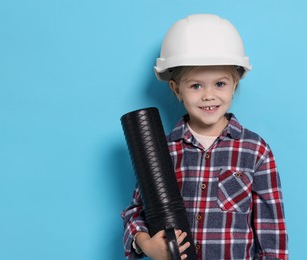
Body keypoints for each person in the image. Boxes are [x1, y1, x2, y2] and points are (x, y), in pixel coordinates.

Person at [121, 14, 288, 260]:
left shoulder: (255, 151)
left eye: (219, 83)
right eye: (196, 86)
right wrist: (146, 244)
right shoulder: (162, 151)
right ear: (176, 89)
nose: (208, 95)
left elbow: (271, 232)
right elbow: (136, 211)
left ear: (235, 82)